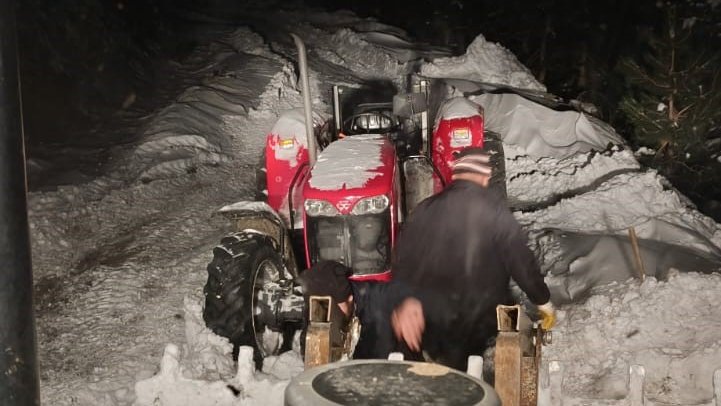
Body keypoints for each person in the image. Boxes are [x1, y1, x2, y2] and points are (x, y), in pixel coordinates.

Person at [389, 146, 556, 371]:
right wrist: (542, 299)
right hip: (477, 316)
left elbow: (403, 261)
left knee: (432, 371)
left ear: (456, 175)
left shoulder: (424, 209)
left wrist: (405, 300)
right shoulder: (493, 211)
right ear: (484, 176)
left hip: (431, 315)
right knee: (462, 372)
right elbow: (520, 260)